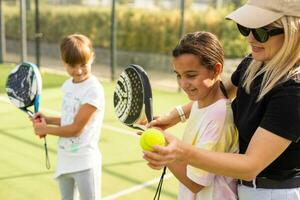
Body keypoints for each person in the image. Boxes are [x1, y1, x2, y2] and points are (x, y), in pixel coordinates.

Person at [143, 1, 300, 200]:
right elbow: (217, 93)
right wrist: (176, 115)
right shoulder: (253, 64)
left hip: (273, 193)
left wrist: (181, 152)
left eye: (262, 31)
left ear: (293, 32)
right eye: (246, 27)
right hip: (243, 190)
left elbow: (250, 166)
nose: (250, 37)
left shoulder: (293, 92)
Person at [154, 31, 239, 200]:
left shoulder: (218, 116)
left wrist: (162, 143)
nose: (183, 84)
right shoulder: (200, 104)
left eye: (191, 75)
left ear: (216, 70)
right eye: (178, 75)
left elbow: (195, 183)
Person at [32, 34, 105, 200]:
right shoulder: (67, 86)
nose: (78, 71)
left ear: (92, 58)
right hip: (65, 159)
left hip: (85, 163)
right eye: (72, 65)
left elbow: (76, 129)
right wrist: (47, 119)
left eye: (83, 65)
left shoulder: (94, 90)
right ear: (63, 61)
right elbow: (69, 118)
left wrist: (46, 129)